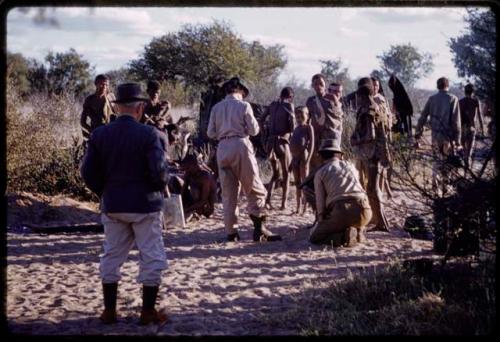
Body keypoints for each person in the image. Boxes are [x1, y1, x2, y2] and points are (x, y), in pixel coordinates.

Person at [80, 82, 169, 325]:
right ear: (140, 108)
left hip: (114, 204)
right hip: (145, 206)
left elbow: (87, 172)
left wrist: (104, 191)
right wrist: (155, 190)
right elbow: (160, 174)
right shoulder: (151, 135)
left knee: (111, 256)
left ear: (117, 107)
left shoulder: (100, 135)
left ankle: (109, 311)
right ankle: (147, 311)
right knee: (151, 257)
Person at [207, 77, 281, 242]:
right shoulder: (244, 106)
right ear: (240, 90)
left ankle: (231, 233)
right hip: (240, 145)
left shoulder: (216, 108)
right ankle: (259, 229)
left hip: (222, 148)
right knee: (254, 187)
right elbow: (254, 130)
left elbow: (210, 133)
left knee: (228, 193)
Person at [309, 137, 372, 246]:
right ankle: (358, 231)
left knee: (315, 237)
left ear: (322, 156)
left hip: (342, 211)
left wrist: (320, 220)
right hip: (365, 209)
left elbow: (320, 203)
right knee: (350, 219)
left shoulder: (321, 172)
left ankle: (343, 237)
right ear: (339, 155)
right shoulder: (350, 166)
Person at [350, 77, 391, 231]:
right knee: (372, 188)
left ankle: (382, 222)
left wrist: (356, 140)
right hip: (376, 152)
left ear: (361, 97)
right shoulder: (375, 107)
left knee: (372, 188)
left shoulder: (368, 110)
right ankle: (380, 221)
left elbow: (370, 135)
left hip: (372, 153)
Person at [415, 77, 462, 195]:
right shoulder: (453, 99)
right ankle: (445, 187)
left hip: (435, 137)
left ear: (437, 86)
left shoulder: (432, 99)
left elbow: (422, 117)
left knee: (436, 162)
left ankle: (435, 189)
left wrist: (418, 133)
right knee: (447, 162)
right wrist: (458, 141)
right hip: (448, 138)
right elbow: (456, 122)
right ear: (448, 86)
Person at [262, 87, 295, 210]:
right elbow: (292, 125)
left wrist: (264, 134)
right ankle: (283, 204)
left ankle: (268, 200)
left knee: (275, 173)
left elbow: (261, 119)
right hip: (282, 142)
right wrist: (291, 135)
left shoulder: (272, 105)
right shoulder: (289, 106)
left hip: (270, 143)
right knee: (286, 174)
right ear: (290, 96)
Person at [306, 74, 344, 170]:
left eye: (321, 83)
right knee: (317, 164)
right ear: (313, 86)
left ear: (325, 84)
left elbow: (338, 118)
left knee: (332, 164)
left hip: (331, 136)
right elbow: (307, 119)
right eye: (316, 84)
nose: (319, 86)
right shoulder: (311, 101)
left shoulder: (332, 98)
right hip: (316, 137)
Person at [371, 76, 394, 199]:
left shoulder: (382, 99)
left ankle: (385, 190)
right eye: (372, 85)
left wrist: (389, 132)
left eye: (376, 85)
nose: (375, 87)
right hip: (372, 137)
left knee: (384, 164)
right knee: (376, 165)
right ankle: (380, 191)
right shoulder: (367, 100)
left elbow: (389, 116)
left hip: (383, 136)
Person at [290, 106, 315, 214]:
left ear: (307, 116)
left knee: (304, 183)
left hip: (304, 157)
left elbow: (312, 144)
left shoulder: (308, 127)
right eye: (297, 117)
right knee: (297, 183)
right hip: (295, 158)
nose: (299, 119)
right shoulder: (296, 129)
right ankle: (298, 207)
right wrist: (291, 160)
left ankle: (305, 208)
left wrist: (308, 158)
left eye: (301, 116)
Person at [179, 154, 217, 220]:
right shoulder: (189, 174)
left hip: (206, 207)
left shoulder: (205, 177)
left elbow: (203, 201)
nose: (186, 171)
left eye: (188, 168)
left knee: (194, 190)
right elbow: (183, 192)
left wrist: (186, 210)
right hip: (195, 203)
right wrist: (179, 205)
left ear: (194, 165)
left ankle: (195, 212)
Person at [80, 74, 116, 142]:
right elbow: (83, 122)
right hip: (96, 135)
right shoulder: (89, 100)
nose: (104, 87)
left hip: (111, 134)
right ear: (96, 84)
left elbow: (117, 115)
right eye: (101, 84)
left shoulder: (111, 97)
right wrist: (93, 131)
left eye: (106, 85)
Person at [459, 83, 485, 168]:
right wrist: (482, 129)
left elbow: (457, 117)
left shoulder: (460, 102)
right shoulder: (475, 101)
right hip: (471, 127)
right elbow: (480, 116)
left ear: (465, 91)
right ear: (473, 92)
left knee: (463, 150)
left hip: (462, 128)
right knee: (469, 153)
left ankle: (464, 168)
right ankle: (467, 170)